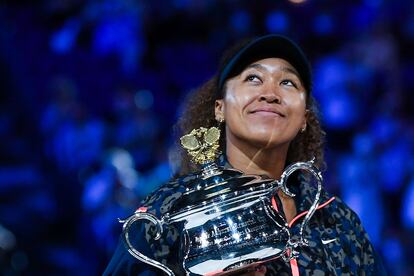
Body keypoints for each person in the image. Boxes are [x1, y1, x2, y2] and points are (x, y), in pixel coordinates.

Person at [103, 34, 386, 275]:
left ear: (304, 119)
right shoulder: (170, 213)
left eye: (288, 83)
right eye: (253, 78)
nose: (270, 93)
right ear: (220, 108)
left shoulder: (337, 221)